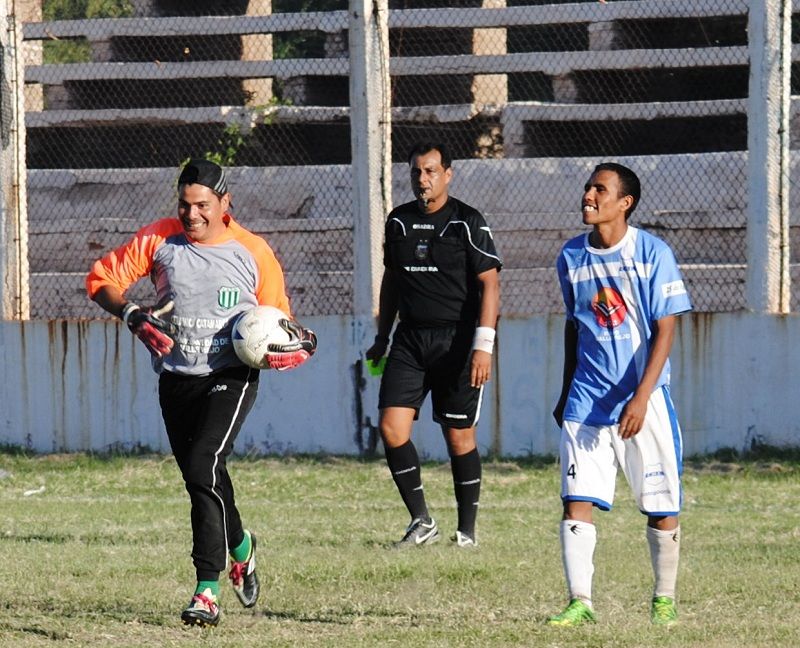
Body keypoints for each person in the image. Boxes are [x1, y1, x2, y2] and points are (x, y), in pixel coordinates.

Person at [86, 159, 316, 628]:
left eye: (202, 205)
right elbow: (101, 280)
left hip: (231, 376)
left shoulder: (253, 252)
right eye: (184, 205)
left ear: (225, 202)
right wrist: (132, 314)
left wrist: (294, 346)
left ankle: (206, 591)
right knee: (204, 476)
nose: (192, 215)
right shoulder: (159, 240)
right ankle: (242, 546)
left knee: (202, 466)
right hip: (176, 378)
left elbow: (279, 321)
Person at [548, 163, 692, 627]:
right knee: (576, 499)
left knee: (661, 505)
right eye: (588, 187)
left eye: (600, 189)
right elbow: (575, 327)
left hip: (643, 399)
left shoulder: (652, 253)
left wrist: (642, 396)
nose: (588, 195)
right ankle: (580, 602)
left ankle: (663, 600)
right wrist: (566, 390)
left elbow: (666, 329)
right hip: (587, 399)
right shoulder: (571, 256)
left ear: (624, 203)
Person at [365, 141, 502, 548]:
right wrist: (382, 336)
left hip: (457, 342)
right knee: (391, 428)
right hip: (409, 340)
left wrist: (483, 345)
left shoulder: (467, 222)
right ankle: (421, 521)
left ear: (447, 174)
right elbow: (392, 280)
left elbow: (490, 283)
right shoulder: (398, 221)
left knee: (458, 436)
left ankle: (466, 532)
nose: (422, 180)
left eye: (430, 171)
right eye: (416, 172)